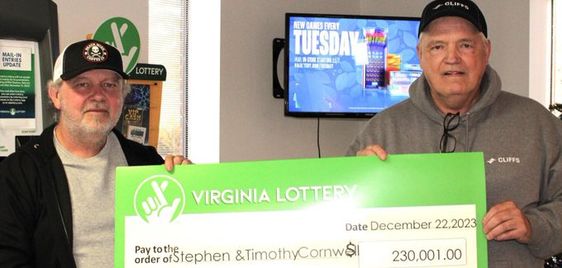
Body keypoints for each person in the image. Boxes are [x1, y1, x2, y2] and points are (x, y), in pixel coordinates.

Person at [347, 0, 562, 267]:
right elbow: (342, 224)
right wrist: (357, 184)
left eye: (466, 45)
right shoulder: (382, 130)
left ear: (486, 51)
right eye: (437, 46)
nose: (452, 57)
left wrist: (534, 226)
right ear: (421, 55)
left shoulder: (536, 123)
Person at [0, 39, 189, 267]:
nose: (98, 95)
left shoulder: (146, 163)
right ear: (56, 95)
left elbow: (181, 245)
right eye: (82, 84)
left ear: (122, 95)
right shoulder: (20, 173)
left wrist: (189, 185)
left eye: (109, 85)